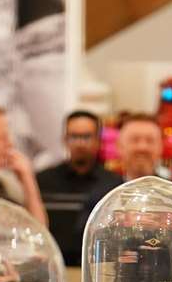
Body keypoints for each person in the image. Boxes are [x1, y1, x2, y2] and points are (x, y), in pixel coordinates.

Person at [35, 110, 120, 266]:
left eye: (86, 137)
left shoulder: (114, 184)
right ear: (65, 140)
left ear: (98, 141)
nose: (80, 143)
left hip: (97, 269)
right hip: (54, 268)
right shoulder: (42, 181)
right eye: (74, 136)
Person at [115, 113, 165, 180]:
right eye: (135, 140)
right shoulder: (106, 190)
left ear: (160, 147)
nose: (142, 147)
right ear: (119, 146)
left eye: (150, 140)